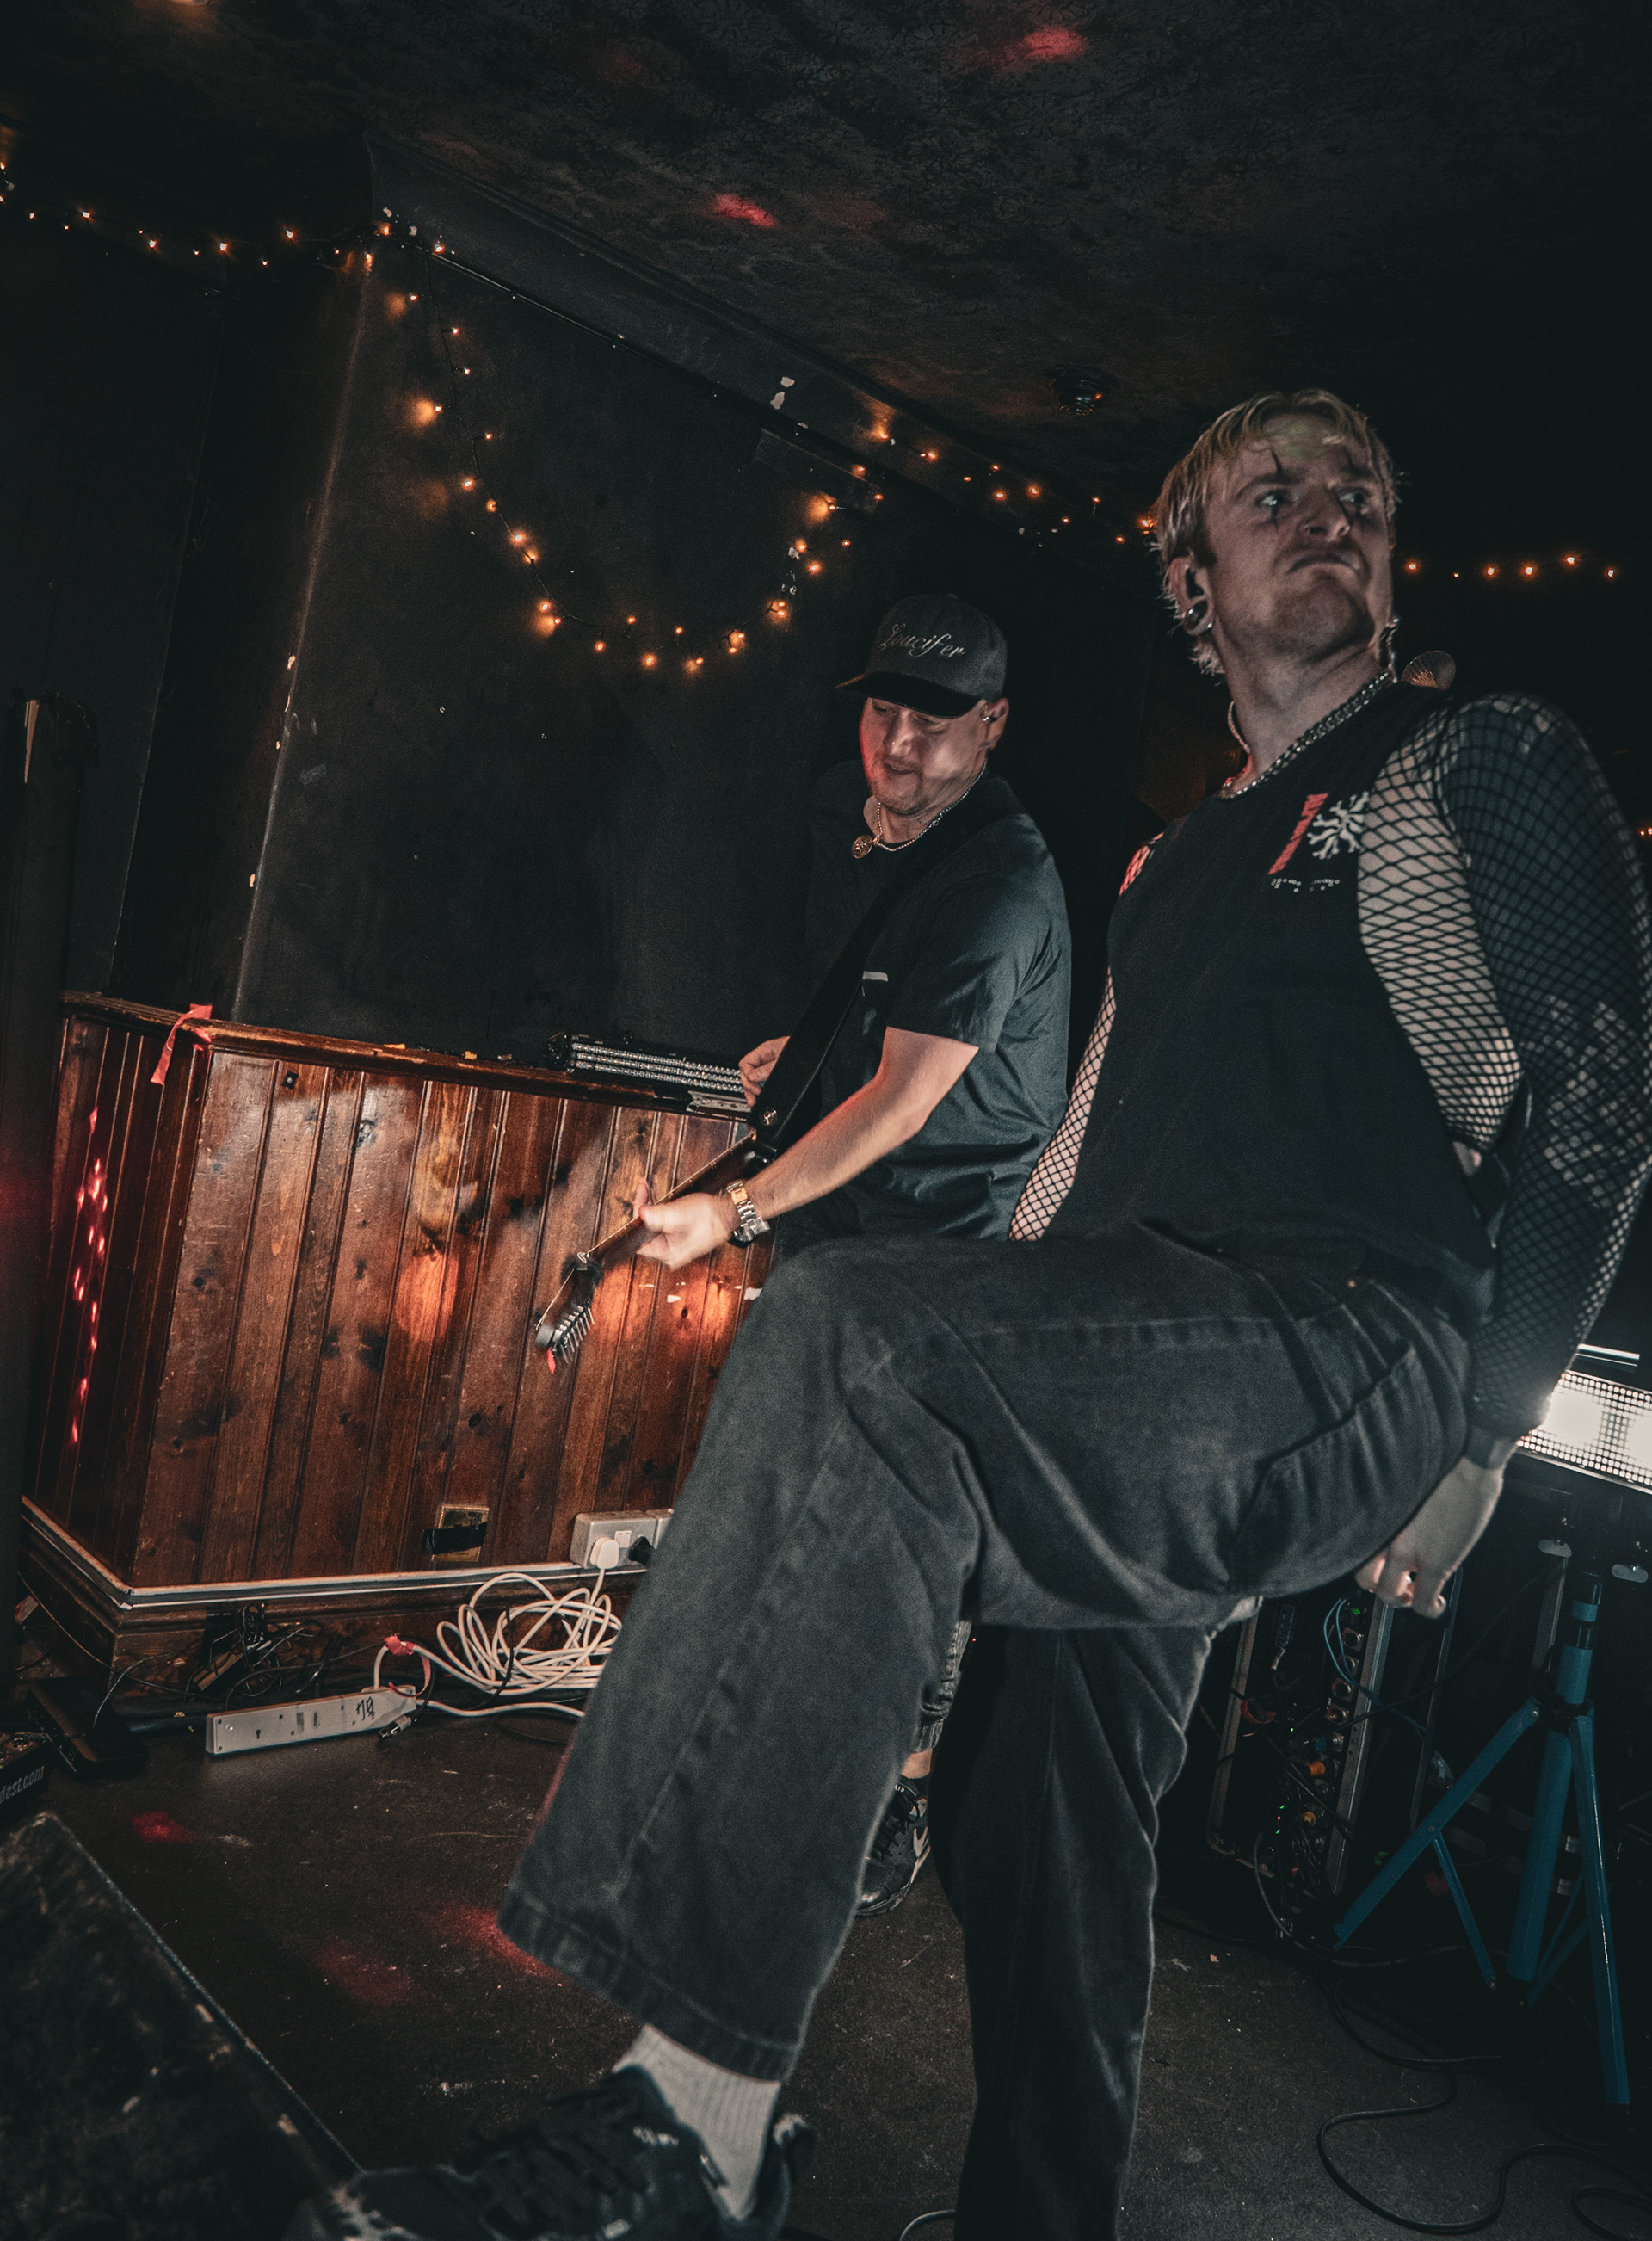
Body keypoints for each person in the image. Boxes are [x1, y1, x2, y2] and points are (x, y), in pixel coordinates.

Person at [288, 390, 1652, 2241]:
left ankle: (687, 2136)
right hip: (1139, 1354)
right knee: (1033, 1804)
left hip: (1346, 1342)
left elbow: (1598, 1097)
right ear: (1192, 580)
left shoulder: (1461, 762)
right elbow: (1075, 1157)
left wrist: (1487, 1425)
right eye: (1271, 495)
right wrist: (976, 1345)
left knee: (849, 1337)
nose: (1325, 512)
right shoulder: (1173, 863)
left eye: (1357, 492)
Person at [635, 591, 1071, 1911]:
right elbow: (881, 1033)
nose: (901, 744)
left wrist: (734, 1210)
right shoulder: (865, 816)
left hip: (948, 1235)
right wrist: (811, 1060)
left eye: (936, 723)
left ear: (994, 726)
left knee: (904, 1528)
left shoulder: (1000, 880)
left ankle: (896, 1798)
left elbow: (905, 1103)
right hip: (848, 1214)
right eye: (885, 711)